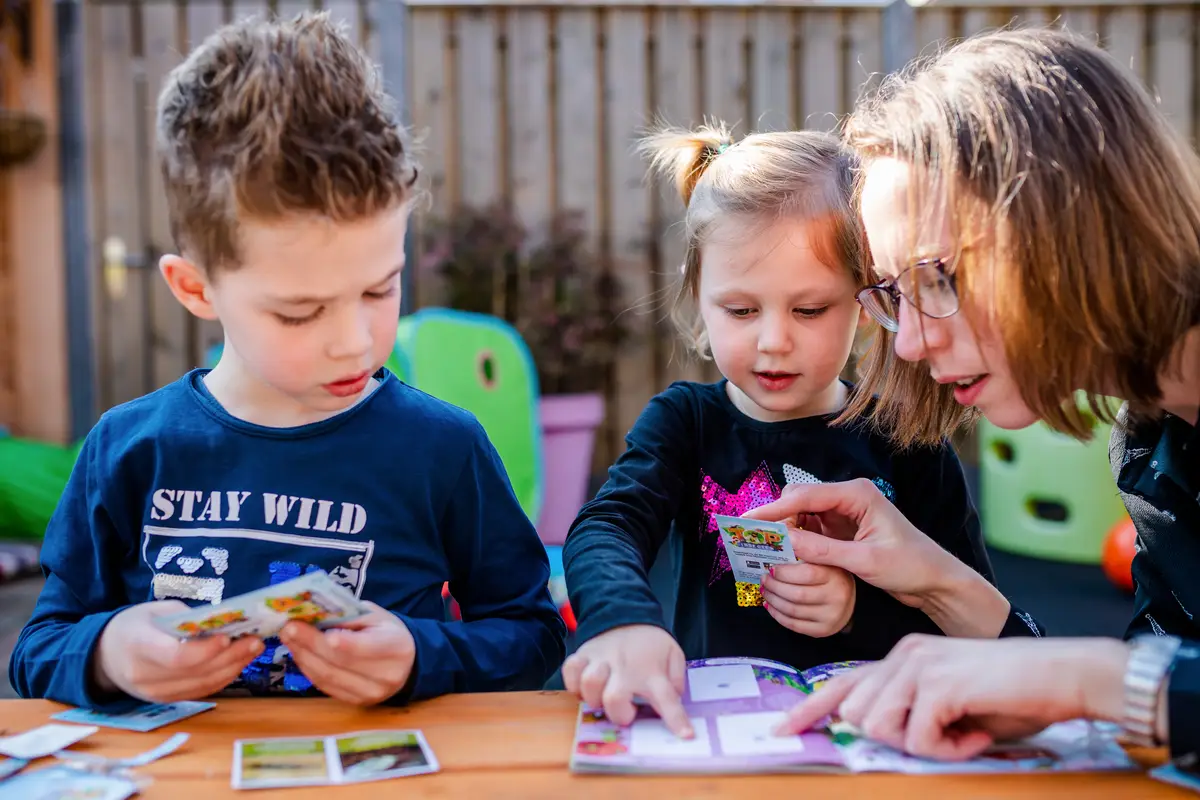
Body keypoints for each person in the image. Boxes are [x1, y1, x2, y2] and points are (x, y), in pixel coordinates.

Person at [8, 11, 565, 712]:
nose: (357, 341)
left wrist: (422, 656)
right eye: (300, 312)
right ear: (195, 287)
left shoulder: (443, 448)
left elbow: (533, 633)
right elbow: (38, 648)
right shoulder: (127, 447)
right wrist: (109, 653)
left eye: (380, 288)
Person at [747, 26, 1200, 765]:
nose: (907, 345)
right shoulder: (1155, 439)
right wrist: (941, 584)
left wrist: (1094, 677)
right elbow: (1165, 712)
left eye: (939, 280)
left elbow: (1129, 687)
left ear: (1062, 222)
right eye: (896, 294)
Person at [559, 121, 1043, 739]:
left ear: (868, 305)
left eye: (809, 309)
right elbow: (607, 527)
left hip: (873, 742)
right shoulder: (685, 423)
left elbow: (966, 609)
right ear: (700, 304)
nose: (774, 341)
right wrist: (623, 621)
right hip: (717, 740)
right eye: (740, 310)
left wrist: (854, 611)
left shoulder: (905, 438)